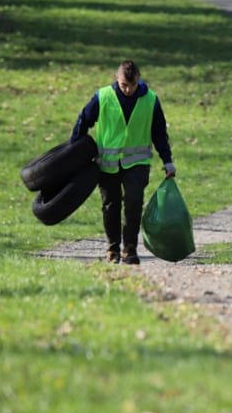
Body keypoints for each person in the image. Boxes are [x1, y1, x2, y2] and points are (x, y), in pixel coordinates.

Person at [71, 60, 175, 265]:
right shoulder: (103, 96)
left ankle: (130, 249)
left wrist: (168, 161)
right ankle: (112, 249)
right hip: (107, 163)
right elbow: (83, 120)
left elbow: (159, 133)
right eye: (123, 85)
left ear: (138, 80)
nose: (128, 89)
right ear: (117, 79)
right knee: (110, 205)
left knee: (134, 203)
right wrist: (73, 153)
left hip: (138, 163)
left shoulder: (151, 100)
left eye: (132, 85)